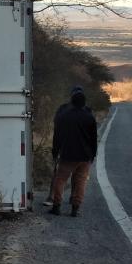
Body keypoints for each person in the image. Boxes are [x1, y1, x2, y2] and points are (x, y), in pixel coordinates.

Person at [49, 86, 98, 217]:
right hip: (85, 156)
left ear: (71, 100)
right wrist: (93, 154)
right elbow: (93, 139)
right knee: (81, 182)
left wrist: (55, 152)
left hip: (68, 154)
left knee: (60, 179)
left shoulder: (63, 116)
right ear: (84, 102)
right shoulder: (89, 117)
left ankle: (56, 206)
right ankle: (75, 208)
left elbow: (57, 136)